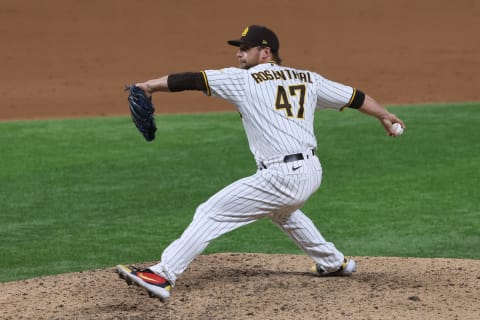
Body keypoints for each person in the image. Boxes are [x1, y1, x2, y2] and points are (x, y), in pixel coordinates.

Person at [116, 25, 405, 301]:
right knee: (284, 213)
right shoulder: (307, 78)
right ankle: (333, 262)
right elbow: (355, 97)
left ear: (265, 52)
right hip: (311, 171)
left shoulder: (242, 80)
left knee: (210, 213)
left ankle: (162, 274)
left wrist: (148, 86)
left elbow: (191, 79)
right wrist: (384, 115)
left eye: (245, 48)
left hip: (282, 175)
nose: (238, 53)